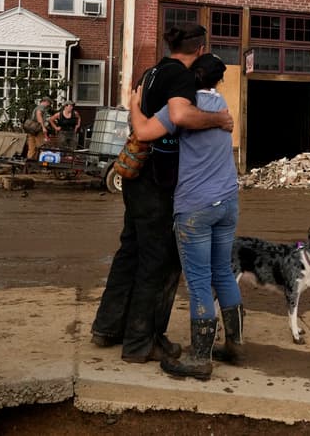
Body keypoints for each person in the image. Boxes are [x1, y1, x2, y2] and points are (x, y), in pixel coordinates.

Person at [90, 24, 233, 364]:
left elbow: (138, 111)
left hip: (137, 179)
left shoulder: (151, 72)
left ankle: (108, 327)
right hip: (158, 182)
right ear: (199, 51)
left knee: (131, 252)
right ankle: (142, 342)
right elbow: (181, 115)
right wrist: (218, 120)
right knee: (161, 261)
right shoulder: (181, 77)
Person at [130, 53, 241, 381]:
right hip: (228, 202)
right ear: (218, 80)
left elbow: (144, 133)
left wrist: (134, 103)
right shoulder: (223, 108)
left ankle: (200, 357)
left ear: (192, 77)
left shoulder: (181, 110)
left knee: (198, 281)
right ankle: (235, 344)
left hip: (196, 207)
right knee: (222, 271)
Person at [25, 96, 52, 161]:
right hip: (37, 130)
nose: (48, 105)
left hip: (32, 130)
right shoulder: (41, 107)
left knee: (31, 146)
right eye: (49, 103)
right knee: (40, 146)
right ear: (46, 101)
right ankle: (40, 162)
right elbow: (39, 115)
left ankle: (30, 162)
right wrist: (43, 127)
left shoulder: (36, 107)